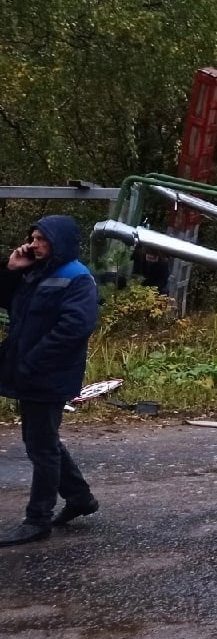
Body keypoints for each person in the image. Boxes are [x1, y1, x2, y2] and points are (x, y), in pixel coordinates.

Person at [0, 216, 100, 545]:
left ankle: (37, 519)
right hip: (29, 371)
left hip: (49, 375)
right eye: (33, 237)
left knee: (41, 446)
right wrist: (12, 269)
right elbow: (7, 302)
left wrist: (33, 361)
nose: (35, 243)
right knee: (43, 440)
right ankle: (80, 497)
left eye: (42, 238)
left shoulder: (77, 278)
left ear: (60, 242)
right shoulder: (35, 271)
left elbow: (75, 328)